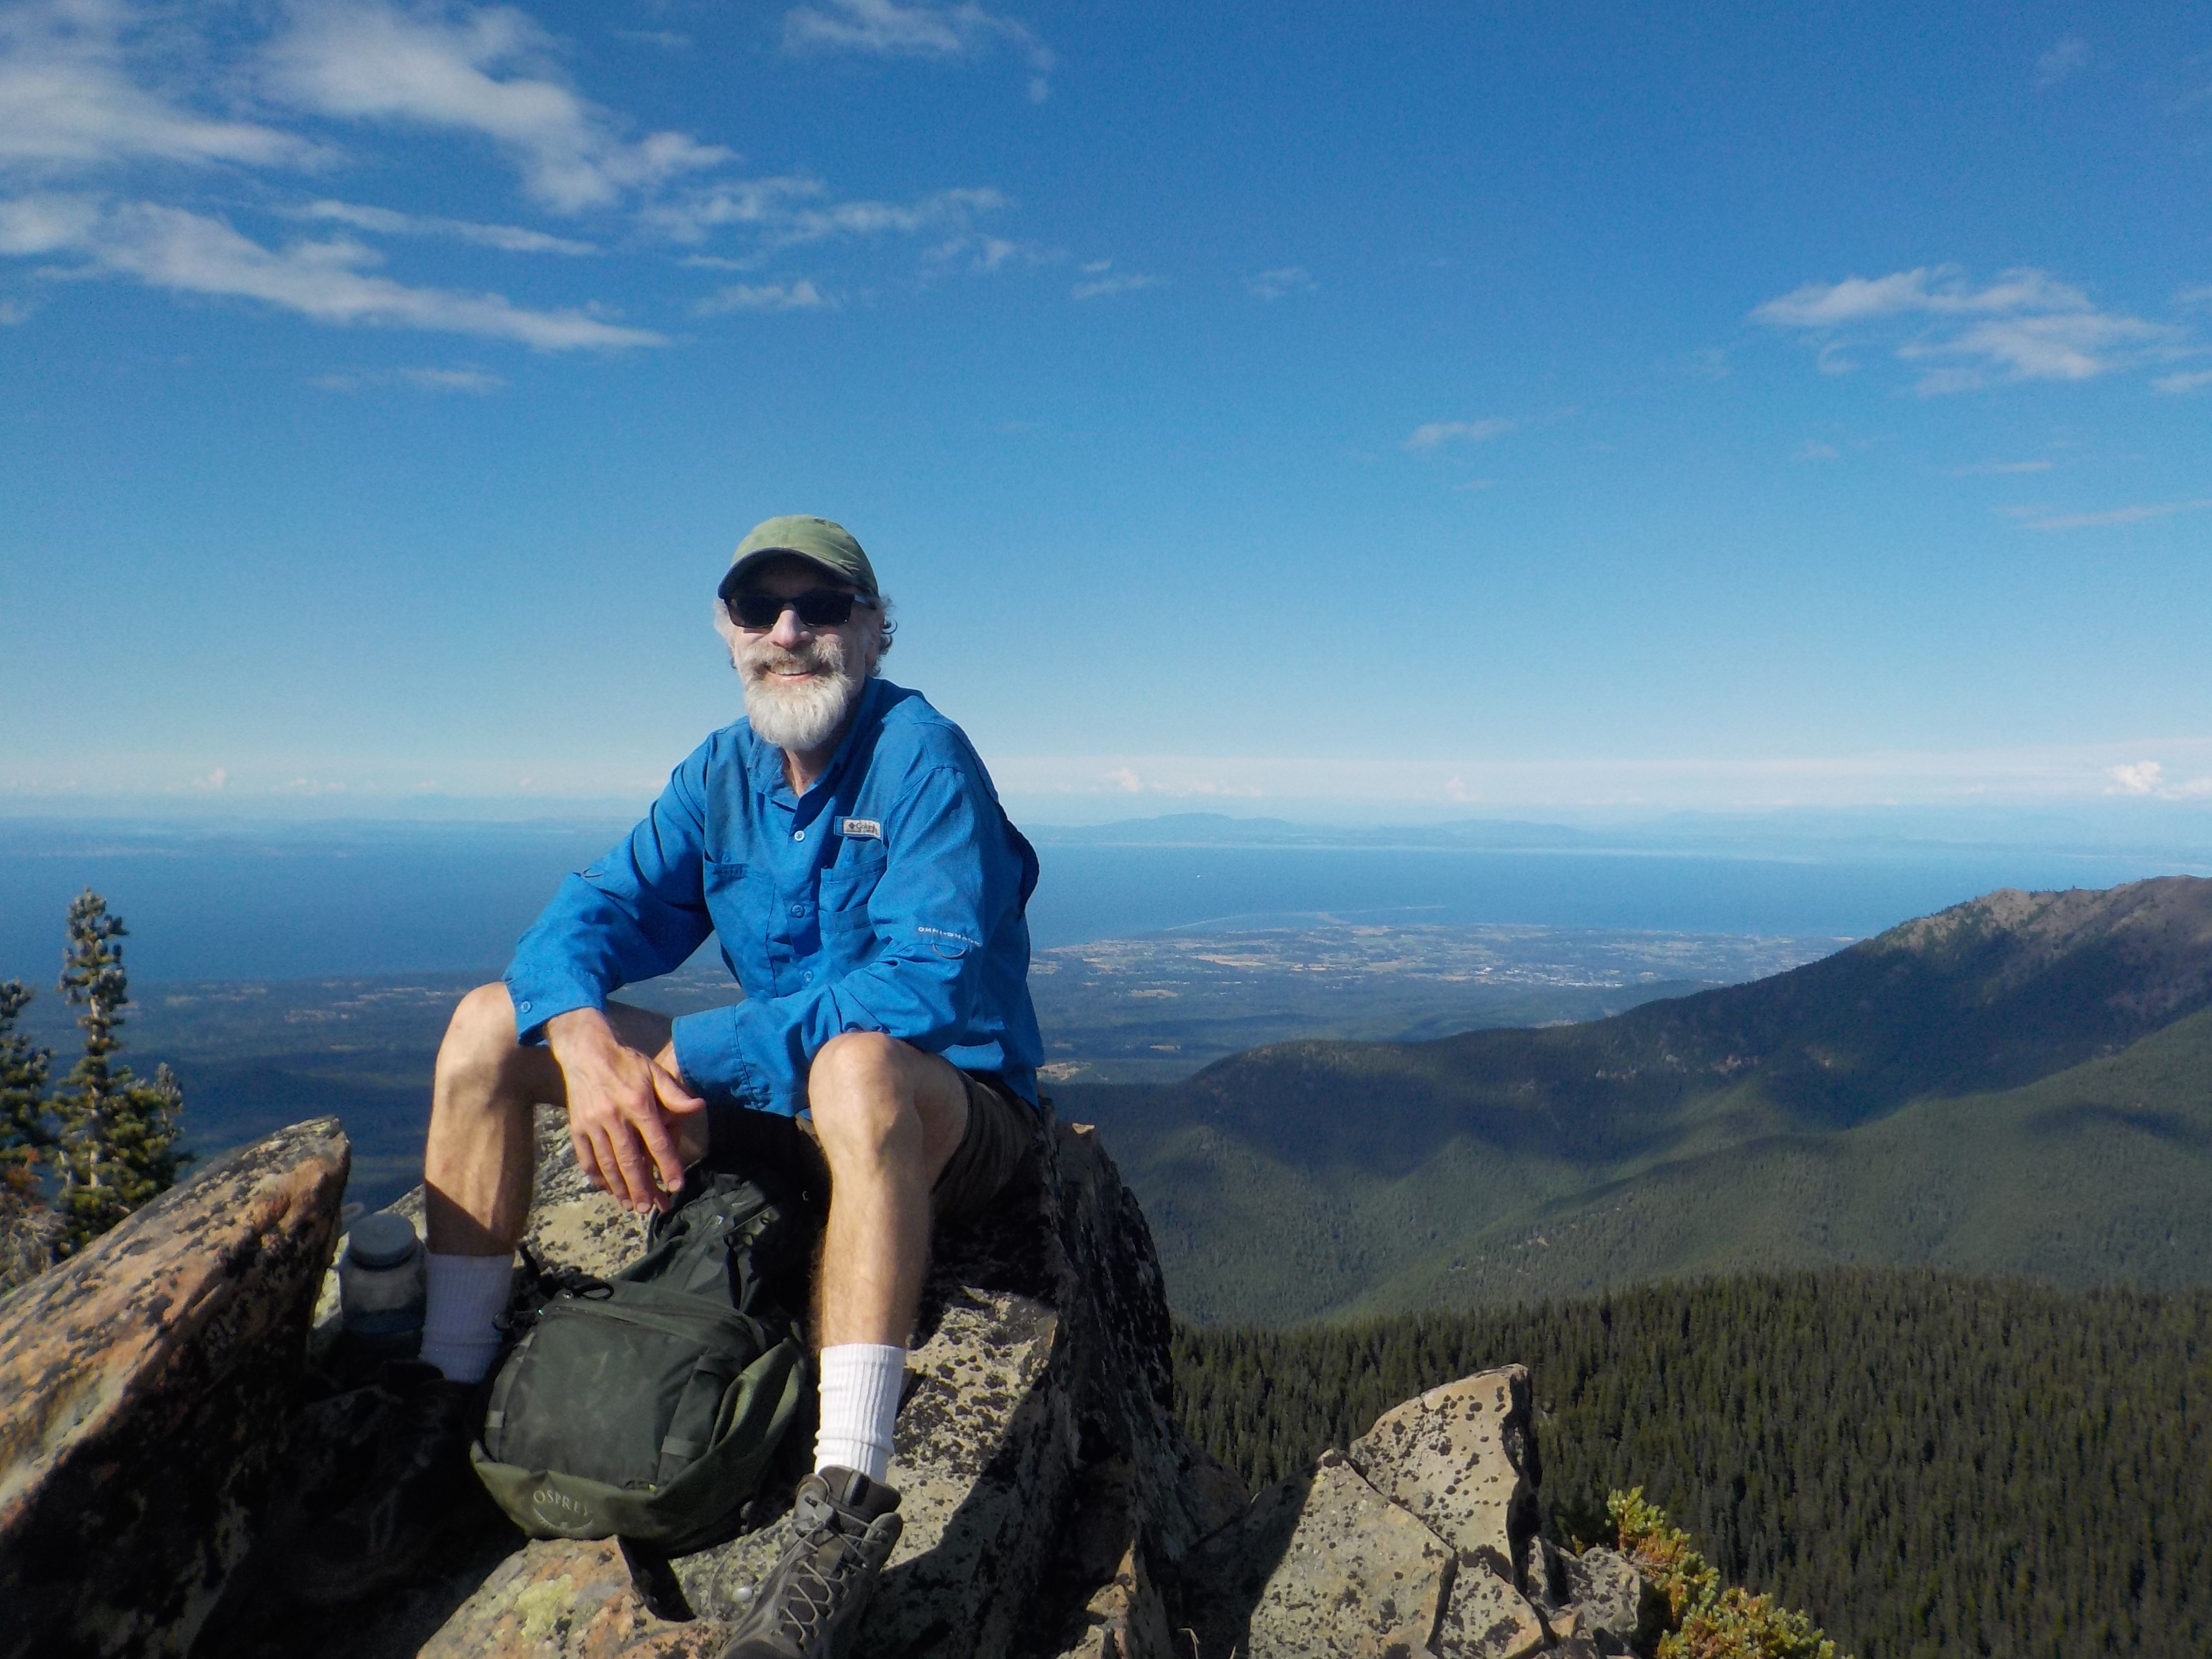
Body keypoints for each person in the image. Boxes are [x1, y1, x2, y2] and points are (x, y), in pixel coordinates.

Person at [297, 516, 1045, 1659]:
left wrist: (692, 1058)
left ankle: (844, 1509)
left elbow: (926, 985)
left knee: (852, 1069)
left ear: (877, 629)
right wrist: (586, 1042)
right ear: (728, 632)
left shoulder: (921, 757)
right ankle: (447, 1399)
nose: (790, 632)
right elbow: (580, 920)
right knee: (490, 1028)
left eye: (824, 606)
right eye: (761, 609)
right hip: (776, 1101)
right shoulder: (722, 773)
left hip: (944, 1109)